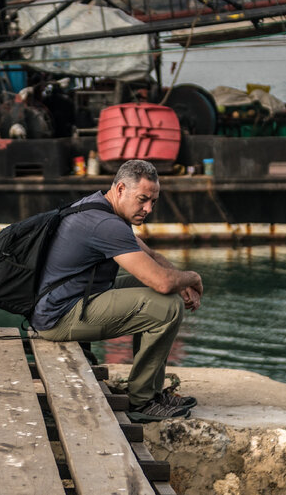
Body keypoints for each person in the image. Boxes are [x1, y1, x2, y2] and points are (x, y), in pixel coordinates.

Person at [32, 159, 204, 422]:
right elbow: (162, 283)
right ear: (121, 189)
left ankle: (152, 391)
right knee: (168, 307)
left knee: (164, 296)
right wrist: (193, 277)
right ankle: (142, 401)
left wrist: (182, 285)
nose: (148, 208)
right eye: (143, 199)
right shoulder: (106, 225)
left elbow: (152, 256)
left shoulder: (101, 207)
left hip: (66, 303)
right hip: (59, 318)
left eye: (153, 201)